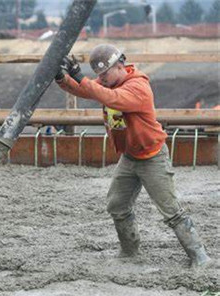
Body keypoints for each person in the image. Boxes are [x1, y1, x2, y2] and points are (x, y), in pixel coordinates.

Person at [55, 44, 211, 268]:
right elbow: (87, 90)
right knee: (117, 205)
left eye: (105, 74)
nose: (102, 79)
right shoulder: (110, 82)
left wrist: (79, 76)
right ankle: (130, 251)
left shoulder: (138, 86)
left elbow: (112, 98)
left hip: (152, 157)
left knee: (171, 210)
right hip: (129, 157)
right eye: (99, 76)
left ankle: (200, 257)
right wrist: (62, 77)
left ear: (120, 65)